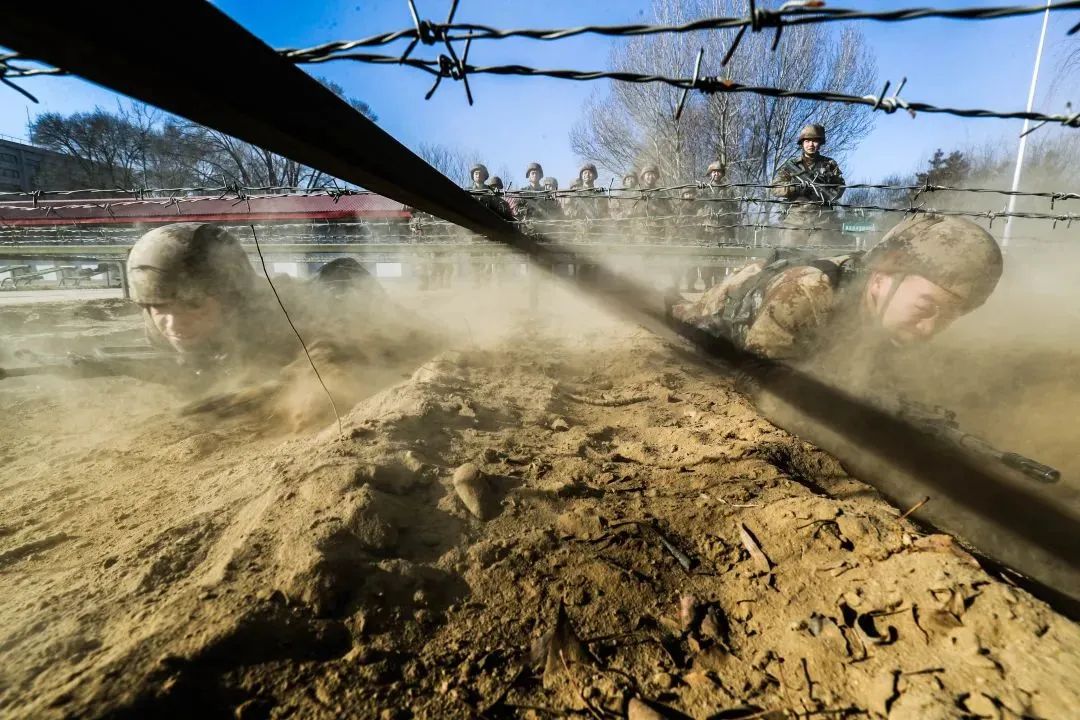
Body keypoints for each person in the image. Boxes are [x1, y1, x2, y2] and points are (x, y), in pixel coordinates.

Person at [126, 223, 433, 424]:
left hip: (331, 297)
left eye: (193, 305)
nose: (173, 323)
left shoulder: (273, 318)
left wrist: (268, 389)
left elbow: (330, 354)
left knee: (343, 273)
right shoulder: (158, 328)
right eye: (158, 308)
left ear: (231, 299)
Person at [671, 215, 1002, 363]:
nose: (931, 328)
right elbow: (761, 381)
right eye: (925, 307)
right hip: (725, 304)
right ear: (880, 279)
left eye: (948, 317)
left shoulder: (884, 321)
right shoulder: (806, 296)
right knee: (680, 314)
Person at [772, 124, 845, 248]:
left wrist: (824, 192)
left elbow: (840, 187)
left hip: (822, 221)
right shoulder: (791, 165)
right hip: (795, 221)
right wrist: (796, 188)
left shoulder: (829, 164)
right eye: (807, 141)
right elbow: (775, 188)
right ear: (802, 143)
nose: (811, 144)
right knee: (788, 257)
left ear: (820, 143)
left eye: (815, 141)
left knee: (821, 259)